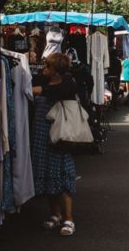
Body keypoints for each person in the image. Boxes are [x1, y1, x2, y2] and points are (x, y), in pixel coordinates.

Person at [31, 53, 78, 236]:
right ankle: (55, 214)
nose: (44, 69)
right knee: (47, 173)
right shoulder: (43, 80)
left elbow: (63, 92)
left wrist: (40, 90)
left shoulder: (67, 83)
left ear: (56, 70)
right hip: (42, 134)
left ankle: (69, 218)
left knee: (61, 173)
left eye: (48, 67)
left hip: (59, 135)